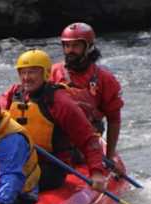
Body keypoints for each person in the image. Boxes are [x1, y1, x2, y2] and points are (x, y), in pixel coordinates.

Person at [1, 49, 108, 191]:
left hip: (51, 167)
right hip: (19, 161)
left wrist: (97, 173)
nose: (26, 77)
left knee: (11, 180)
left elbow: (88, 139)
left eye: (32, 72)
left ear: (45, 73)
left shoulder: (59, 101)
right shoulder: (14, 93)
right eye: (22, 72)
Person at [50, 22, 124, 170]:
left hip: (85, 138)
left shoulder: (104, 79)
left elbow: (114, 119)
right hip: (56, 135)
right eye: (66, 46)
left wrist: (109, 157)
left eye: (76, 46)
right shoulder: (53, 72)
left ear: (89, 47)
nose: (70, 51)